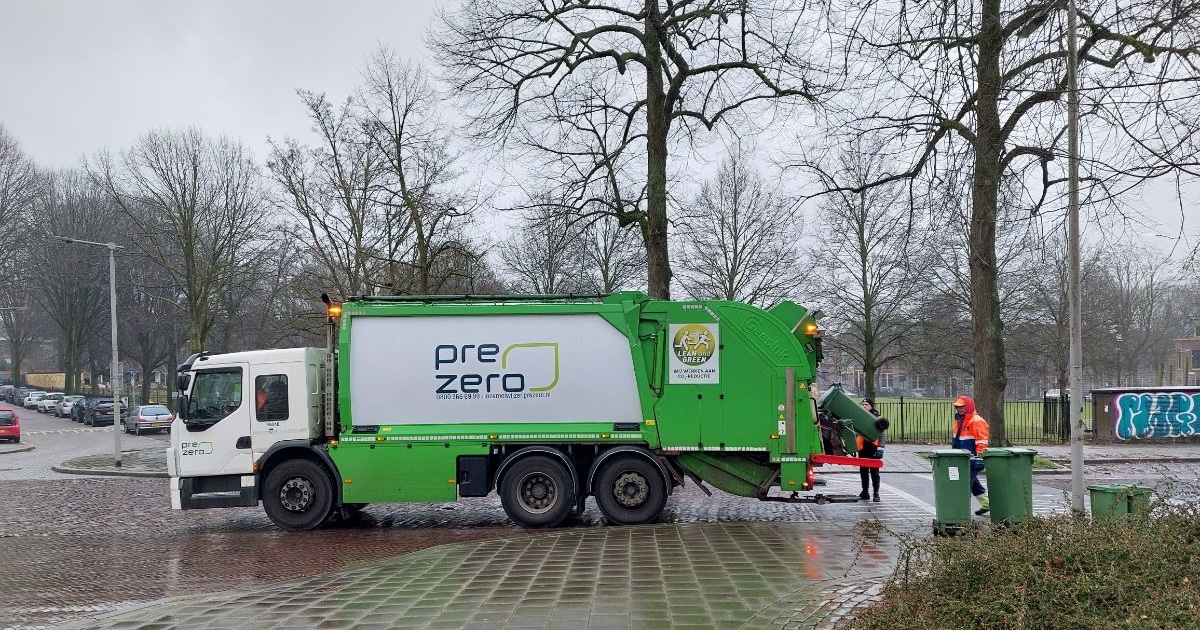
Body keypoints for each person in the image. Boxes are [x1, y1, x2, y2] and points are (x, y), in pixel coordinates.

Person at [951, 395, 991, 515]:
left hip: (972, 459)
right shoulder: (960, 421)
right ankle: (987, 503)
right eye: (958, 407)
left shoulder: (976, 421)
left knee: (965, 484)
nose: (959, 409)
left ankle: (961, 512)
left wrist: (979, 458)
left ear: (968, 406)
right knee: (973, 483)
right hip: (962, 458)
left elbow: (982, 442)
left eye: (962, 407)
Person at [857, 398, 885, 502]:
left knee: (874, 471)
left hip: (873, 447)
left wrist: (881, 448)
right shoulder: (860, 416)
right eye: (863, 404)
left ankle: (876, 493)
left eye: (866, 404)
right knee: (863, 471)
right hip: (862, 446)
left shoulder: (877, 418)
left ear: (871, 406)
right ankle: (865, 492)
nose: (864, 406)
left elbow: (882, 434)